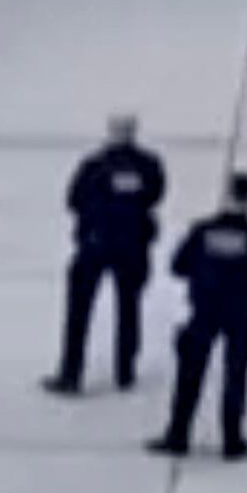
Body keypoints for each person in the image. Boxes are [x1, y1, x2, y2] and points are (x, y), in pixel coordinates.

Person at [150, 172, 247, 461]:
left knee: (190, 375)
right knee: (236, 376)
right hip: (241, 312)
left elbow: (178, 265)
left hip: (205, 309)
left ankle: (178, 434)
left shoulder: (203, 230)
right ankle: (232, 439)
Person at [49, 116, 168, 396]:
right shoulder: (149, 165)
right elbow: (156, 194)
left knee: (79, 310)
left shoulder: (94, 165)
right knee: (129, 308)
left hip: (95, 244)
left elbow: (73, 199)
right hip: (134, 245)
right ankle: (125, 370)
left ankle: (71, 372)